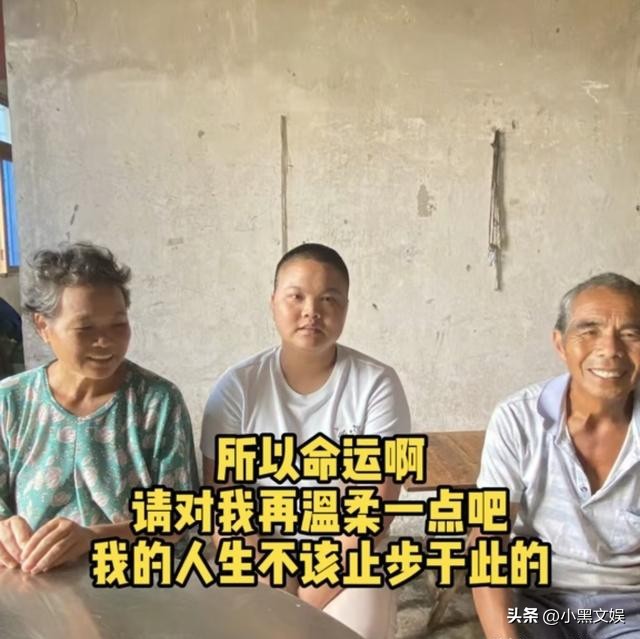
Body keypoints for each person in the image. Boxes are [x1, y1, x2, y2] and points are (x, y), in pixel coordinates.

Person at [200, 242, 411, 639]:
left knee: (356, 631)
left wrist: (310, 594)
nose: (311, 311)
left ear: (345, 307)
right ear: (273, 303)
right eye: (296, 297)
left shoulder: (376, 384)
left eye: (328, 299)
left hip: (347, 557)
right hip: (259, 555)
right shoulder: (238, 387)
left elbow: (375, 507)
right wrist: (273, 585)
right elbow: (225, 505)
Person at [0, 242, 198, 574]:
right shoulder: (11, 401)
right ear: (43, 327)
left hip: (132, 581)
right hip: (31, 581)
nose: (105, 342)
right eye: (85, 329)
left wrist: (93, 539)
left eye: (118, 325)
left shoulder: (156, 401)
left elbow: (178, 518)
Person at [472, 272, 640, 639]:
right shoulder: (517, 418)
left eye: (631, 334)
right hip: (537, 602)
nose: (610, 349)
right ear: (560, 344)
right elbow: (487, 539)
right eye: (589, 331)